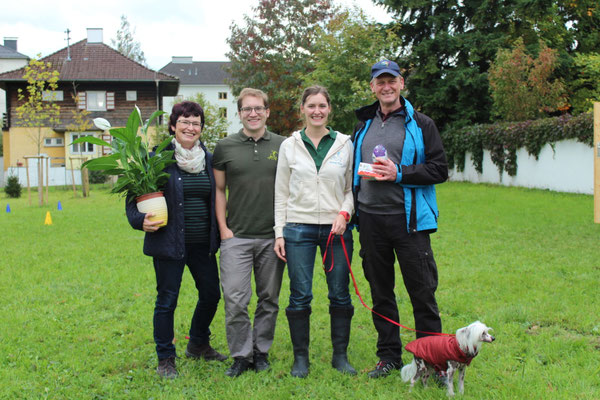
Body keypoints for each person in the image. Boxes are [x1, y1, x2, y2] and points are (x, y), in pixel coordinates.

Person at [351, 60, 448, 378]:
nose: (386, 86)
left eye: (391, 80)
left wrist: (400, 173)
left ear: (401, 83)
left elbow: (439, 169)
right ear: (372, 87)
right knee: (381, 293)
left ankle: (432, 361)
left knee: (422, 292)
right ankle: (388, 356)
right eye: (380, 81)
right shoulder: (363, 126)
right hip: (370, 220)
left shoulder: (421, 124)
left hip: (409, 223)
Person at [125, 101, 227, 379]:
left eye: (196, 123)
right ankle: (166, 359)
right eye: (184, 122)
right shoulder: (157, 158)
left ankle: (197, 343)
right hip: (169, 243)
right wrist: (139, 220)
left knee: (211, 294)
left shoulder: (209, 159)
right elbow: (133, 201)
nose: (190, 127)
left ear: (201, 129)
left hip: (202, 244)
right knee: (167, 300)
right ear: (173, 126)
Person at [274, 86, 356, 378]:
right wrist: (279, 232)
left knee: (340, 294)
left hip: (337, 229)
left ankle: (340, 356)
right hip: (298, 228)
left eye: (322, 105)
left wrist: (344, 213)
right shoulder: (289, 145)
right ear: (303, 109)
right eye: (311, 106)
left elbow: (350, 189)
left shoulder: (345, 144)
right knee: (300, 295)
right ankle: (300, 359)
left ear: (329, 109)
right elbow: (281, 192)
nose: (317, 111)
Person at [212, 88, 286, 377]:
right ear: (239, 113)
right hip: (237, 237)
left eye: (258, 108)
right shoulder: (225, 147)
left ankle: (261, 352)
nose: (253, 113)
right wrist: (224, 229)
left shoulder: (284, 145)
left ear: (267, 111)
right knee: (234, 298)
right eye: (246, 109)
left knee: (269, 298)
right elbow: (219, 190)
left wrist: (283, 231)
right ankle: (241, 355)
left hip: (273, 237)